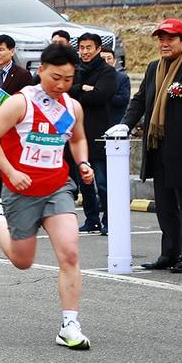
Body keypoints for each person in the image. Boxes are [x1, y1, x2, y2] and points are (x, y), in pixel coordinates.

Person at [0, 43, 94, 350]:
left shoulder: (71, 107)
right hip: (21, 190)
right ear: (40, 70)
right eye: (56, 77)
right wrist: (10, 172)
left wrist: (82, 163)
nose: (61, 85)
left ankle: (70, 324)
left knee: (69, 252)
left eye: (68, 79)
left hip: (57, 187)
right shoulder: (21, 103)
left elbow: (78, 139)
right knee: (22, 261)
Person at [111, 19, 182, 273]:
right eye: (161, 38)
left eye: (171, 38)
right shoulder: (153, 68)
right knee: (165, 204)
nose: (164, 43)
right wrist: (126, 124)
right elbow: (140, 99)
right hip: (157, 145)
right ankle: (169, 252)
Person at [68, 33, 117, 234]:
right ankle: (91, 219)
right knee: (83, 181)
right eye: (82, 47)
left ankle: (110, 220)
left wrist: (79, 93)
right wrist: (82, 88)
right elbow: (66, 91)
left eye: (89, 47)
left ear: (98, 49)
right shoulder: (75, 70)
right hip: (77, 133)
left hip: (98, 132)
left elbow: (101, 95)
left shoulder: (106, 71)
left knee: (102, 182)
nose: (85, 52)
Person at [0, 35, 33, 202]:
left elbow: (27, 102)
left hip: (13, 130)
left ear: (12, 50)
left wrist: (1, 110)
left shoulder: (22, 75)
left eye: (1, 50)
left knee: (7, 168)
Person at [101, 47, 131, 127]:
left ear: (114, 61)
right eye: (103, 58)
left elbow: (124, 99)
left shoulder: (123, 78)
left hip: (115, 123)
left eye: (109, 58)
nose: (106, 61)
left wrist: (102, 94)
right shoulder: (92, 77)